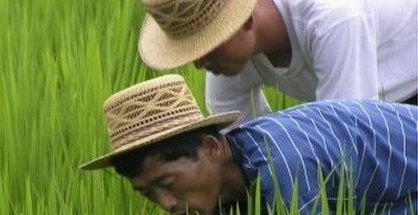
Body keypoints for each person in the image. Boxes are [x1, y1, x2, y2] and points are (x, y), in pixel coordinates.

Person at [80, 75, 417, 215]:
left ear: (210, 147)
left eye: (168, 185)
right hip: (391, 208)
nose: (165, 204)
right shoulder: (222, 191)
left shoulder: (284, 162)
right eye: (147, 194)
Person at [136, 0, 418, 122]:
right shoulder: (229, 61)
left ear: (245, 20)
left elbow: (348, 139)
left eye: (208, 47)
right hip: (373, 111)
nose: (200, 63)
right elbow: (242, 147)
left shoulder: (334, 20)